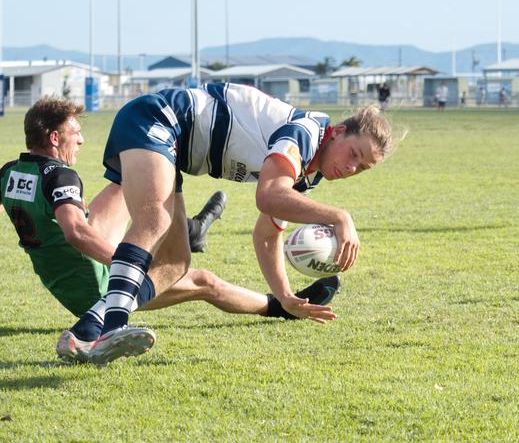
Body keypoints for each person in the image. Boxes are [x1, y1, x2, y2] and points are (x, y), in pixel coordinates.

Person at [0, 97, 340, 363]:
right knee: (201, 280)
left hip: (63, 277)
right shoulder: (61, 175)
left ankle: (190, 229)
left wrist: (30, 218)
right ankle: (277, 307)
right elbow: (76, 234)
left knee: (136, 178)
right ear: (55, 139)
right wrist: (128, 266)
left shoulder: (8, 172)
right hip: (99, 284)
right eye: (75, 133)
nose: (82, 140)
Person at [87, 82, 393, 365]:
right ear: (338, 132)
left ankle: (86, 328)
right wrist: (340, 216)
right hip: (159, 116)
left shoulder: (308, 174)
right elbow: (269, 195)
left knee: (175, 262)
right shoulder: (306, 132)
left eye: (362, 167)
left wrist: (286, 297)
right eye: (354, 153)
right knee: (154, 220)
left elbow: (266, 236)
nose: (352, 167)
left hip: (173, 145)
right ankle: (111, 330)